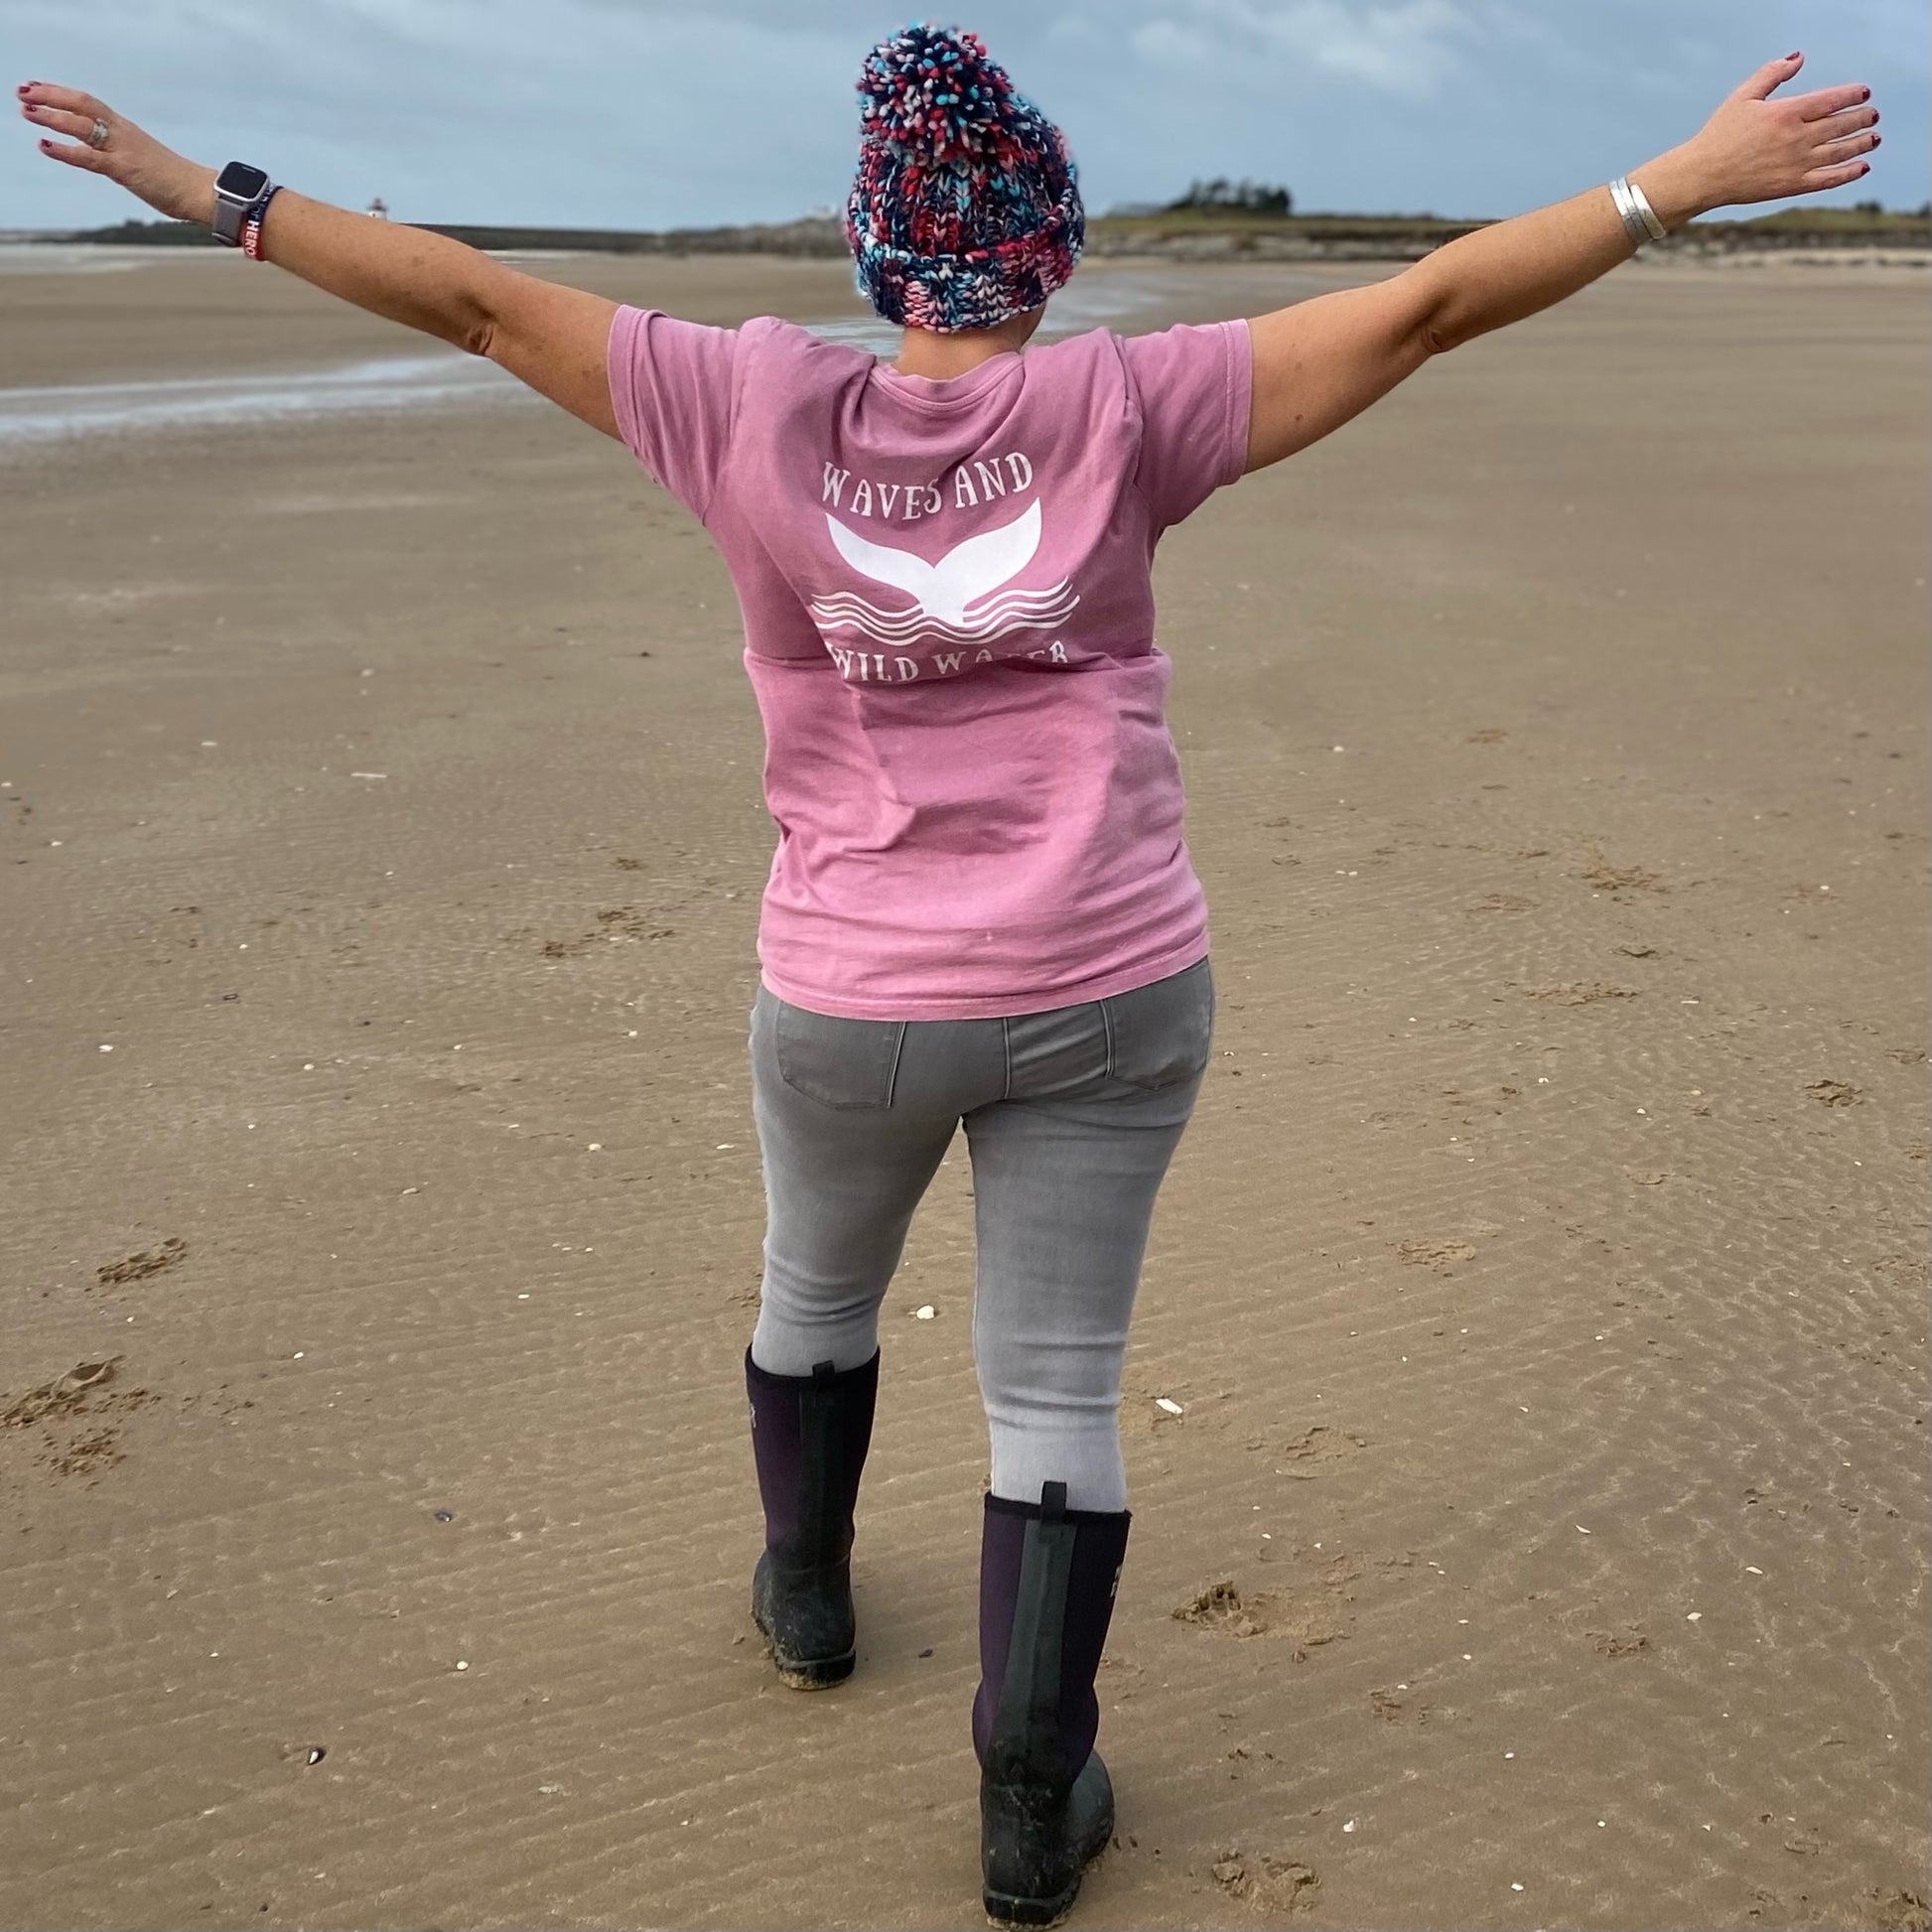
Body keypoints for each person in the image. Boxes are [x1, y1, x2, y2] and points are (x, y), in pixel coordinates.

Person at [18, 25, 1878, 1927]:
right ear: (1047, 249)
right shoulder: (1130, 409)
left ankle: (807, 1595)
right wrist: (1672, 183)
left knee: (816, 1286)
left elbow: (483, 306)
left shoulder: (737, 402)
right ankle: (1024, 1779)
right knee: (1055, 1388)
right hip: (1108, 979)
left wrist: (209, 196)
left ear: (871, 256)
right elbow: (1423, 311)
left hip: (848, 988)